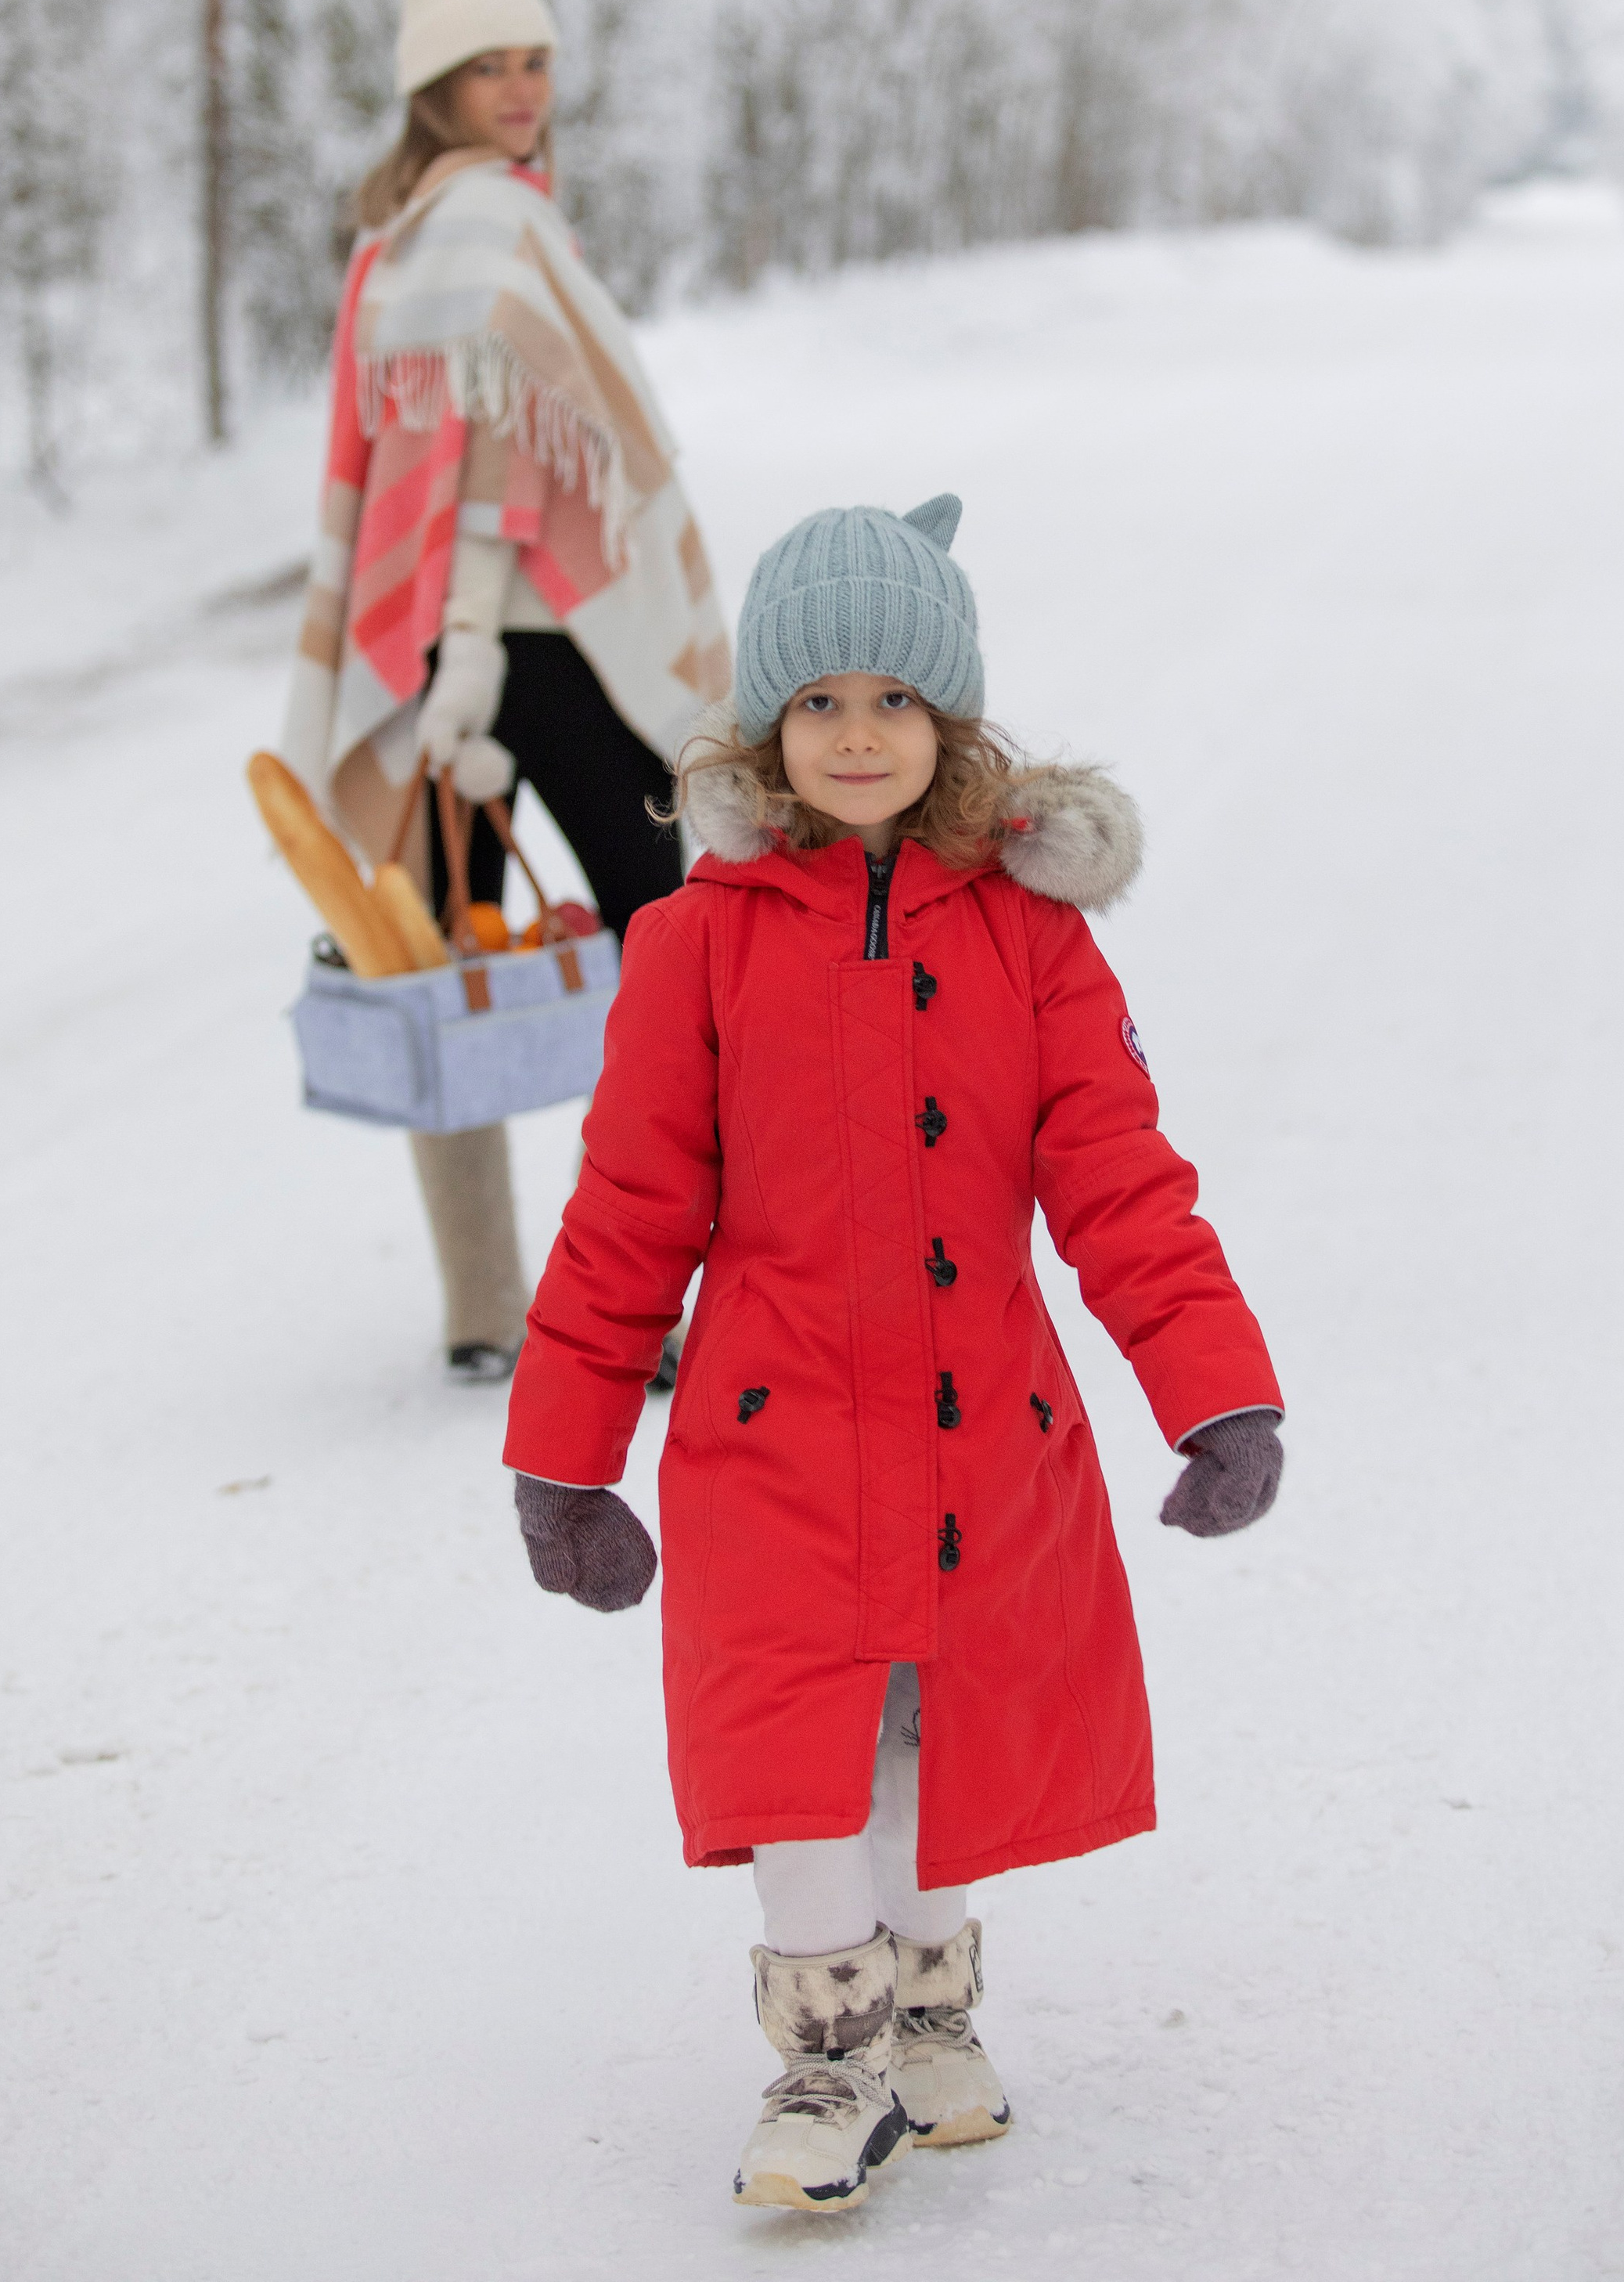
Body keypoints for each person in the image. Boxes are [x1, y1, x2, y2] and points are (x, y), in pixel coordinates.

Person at [502, 495, 1284, 2213]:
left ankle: (929, 2011)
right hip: (765, 1439)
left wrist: (1214, 1389)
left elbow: (1121, 1185)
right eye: (818, 704)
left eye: (894, 702)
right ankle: (824, 2058)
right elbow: (626, 1213)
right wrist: (563, 1460)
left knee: (928, 1738)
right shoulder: (692, 945)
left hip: (974, 1434)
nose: (857, 736)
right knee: (797, 1735)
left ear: (950, 727)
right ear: (767, 731)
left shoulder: (1029, 938)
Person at [281, 0, 732, 1380]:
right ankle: (642, 1308)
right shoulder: (500, 226)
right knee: (662, 965)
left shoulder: (390, 243)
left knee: (438, 967)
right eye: (493, 66)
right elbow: (506, 469)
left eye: (536, 60)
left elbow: (377, 466)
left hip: (429, 661)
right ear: (436, 88)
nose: (525, 88)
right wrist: (473, 634)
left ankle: (486, 1312)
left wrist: (410, 648)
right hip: (549, 652)